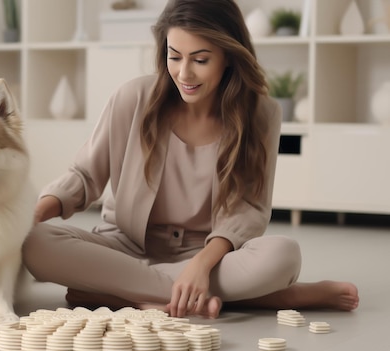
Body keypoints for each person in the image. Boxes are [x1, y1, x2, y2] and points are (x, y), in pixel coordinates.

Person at [22, 0, 359, 318]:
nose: (184, 74)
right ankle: (271, 297)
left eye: (200, 60)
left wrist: (200, 265)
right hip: (122, 246)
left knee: (283, 256)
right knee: (35, 242)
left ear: (228, 55)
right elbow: (83, 175)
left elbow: (250, 209)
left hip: (208, 255)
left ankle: (117, 295)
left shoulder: (261, 114)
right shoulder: (132, 98)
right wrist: (30, 217)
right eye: (174, 56)